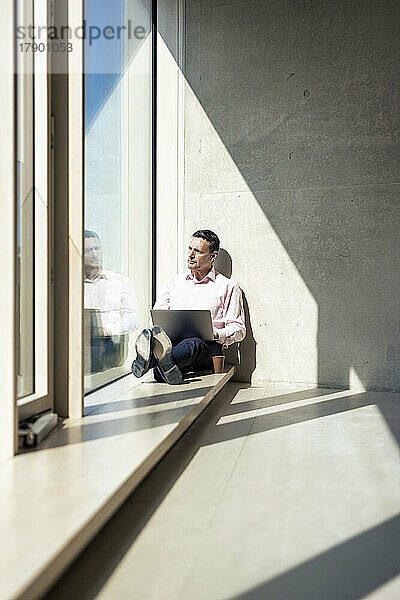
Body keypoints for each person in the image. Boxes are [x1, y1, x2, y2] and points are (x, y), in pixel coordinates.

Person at [131, 229, 246, 384]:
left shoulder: (228, 287)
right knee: (162, 371)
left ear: (213, 257)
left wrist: (216, 334)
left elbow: (239, 329)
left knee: (194, 343)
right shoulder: (174, 282)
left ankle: (149, 361)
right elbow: (157, 318)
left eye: (197, 251)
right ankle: (162, 366)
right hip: (174, 344)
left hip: (208, 348)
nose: (191, 255)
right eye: (190, 249)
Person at [84, 230, 139, 373]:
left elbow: (133, 317)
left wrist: (110, 329)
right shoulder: (72, 285)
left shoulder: (119, 281)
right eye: (89, 250)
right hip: (83, 349)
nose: (95, 254)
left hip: (113, 349)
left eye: (97, 248)